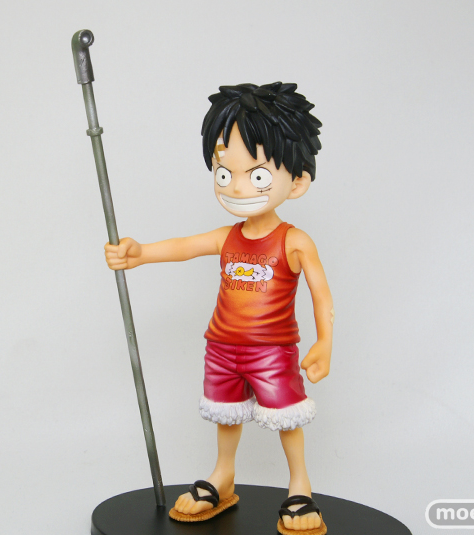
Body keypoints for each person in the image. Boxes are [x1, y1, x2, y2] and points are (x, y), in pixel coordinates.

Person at [104, 82, 333, 535]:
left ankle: (300, 486)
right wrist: (140, 253)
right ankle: (223, 475)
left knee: (287, 417)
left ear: (298, 181)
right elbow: (184, 246)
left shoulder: (294, 241)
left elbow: (321, 294)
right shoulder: (227, 237)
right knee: (226, 415)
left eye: (257, 176)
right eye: (224, 173)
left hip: (272, 351)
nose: (237, 187)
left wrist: (325, 342)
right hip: (222, 347)